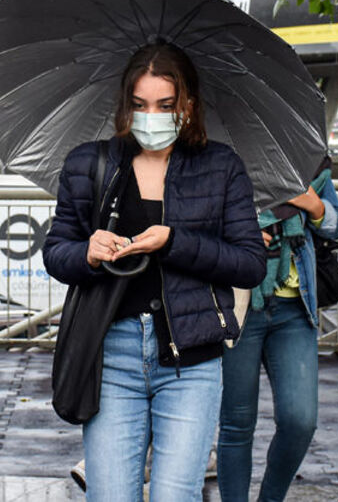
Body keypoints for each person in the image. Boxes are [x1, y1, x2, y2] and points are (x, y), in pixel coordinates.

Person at [43, 42, 266, 501]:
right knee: (109, 495)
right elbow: (56, 253)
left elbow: (250, 263)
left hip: (192, 358)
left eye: (166, 105)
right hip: (112, 352)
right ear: (126, 105)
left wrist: (176, 242)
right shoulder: (90, 162)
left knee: (174, 496)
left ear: (189, 105)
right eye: (141, 105)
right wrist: (87, 252)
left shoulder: (220, 166)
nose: (152, 116)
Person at [217, 156, 338, 502]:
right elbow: (193, 225)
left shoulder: (303, 162)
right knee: (236, 424)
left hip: (294, 306)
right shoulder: (216, 161)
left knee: (300, 420)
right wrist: (237, 236)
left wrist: (314, 205)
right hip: (240, 304)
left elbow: (336, 225)